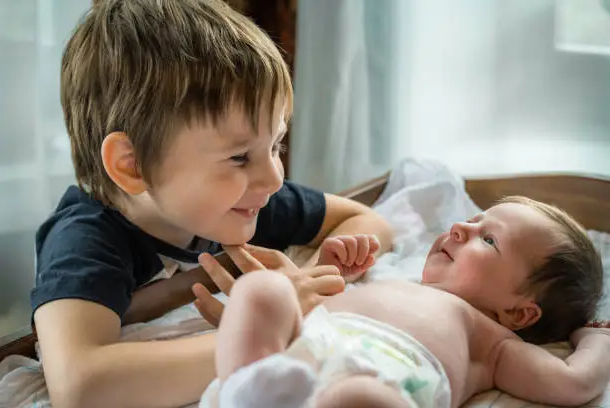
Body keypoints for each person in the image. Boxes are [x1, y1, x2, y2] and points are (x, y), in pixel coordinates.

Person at [30, 1, 392, 407]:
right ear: (132, 166)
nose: (274, 178)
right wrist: (253, 335)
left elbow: (367, 218)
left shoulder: (244, 200)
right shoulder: (84, 239)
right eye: (240, 156)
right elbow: (81, 386)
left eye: (276, 145)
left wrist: (308, 278)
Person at [197, 196, 610, 408]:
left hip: (372, 386)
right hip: (295, 361)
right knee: (265, 290)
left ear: (519, 312)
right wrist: (330, 269)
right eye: (474, 219)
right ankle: (248, 386)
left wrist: (596, 337)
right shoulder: (391, 276)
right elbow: (309, 302)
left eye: (488, 239)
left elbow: (573, 381)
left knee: (361, 398)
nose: (461, 227)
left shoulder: (495, 342)